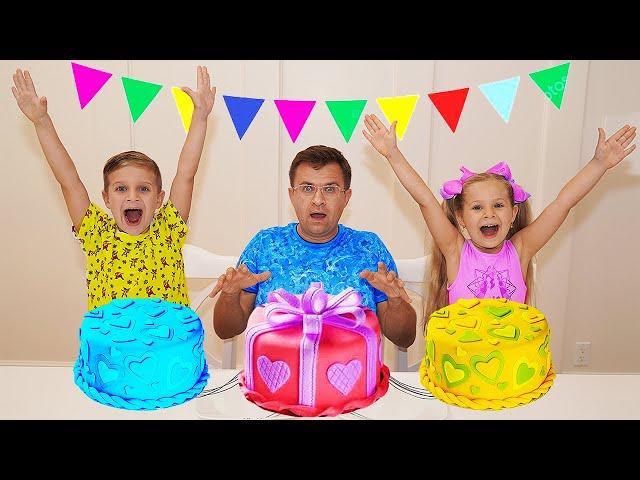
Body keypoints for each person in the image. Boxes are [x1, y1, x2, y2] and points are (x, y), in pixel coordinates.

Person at [361, 113, 636, 320]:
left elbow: (563, 203)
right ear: (460, 218)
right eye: (477, 207)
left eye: (498, 206)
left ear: (514, 213)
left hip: (510, 370)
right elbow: (425, 201)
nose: (489, 214)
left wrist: (599, 164)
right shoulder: (455, 251)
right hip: (464, 367)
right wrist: (393, 154)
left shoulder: (520, 249)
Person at [12, 66, 216, 309]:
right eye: (121, 189)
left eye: (144, 189)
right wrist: (41, 122)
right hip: (110, 347)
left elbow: (185, 174)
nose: (133, 197)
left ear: (159, 198)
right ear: (106, 198)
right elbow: (68, 180)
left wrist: (200, 117)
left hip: (168, 345)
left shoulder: (168, 231)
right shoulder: (97, 234)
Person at [209, 145, 417, 348]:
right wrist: (229, 295)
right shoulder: (264, 245)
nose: (318, 200)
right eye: (307, 189)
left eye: (330, 189)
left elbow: (404, 339)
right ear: (292, 195)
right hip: (276, 373)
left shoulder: (370, 248)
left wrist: (396, 301)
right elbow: (226, 330)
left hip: (353, 374)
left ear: (346, 197)